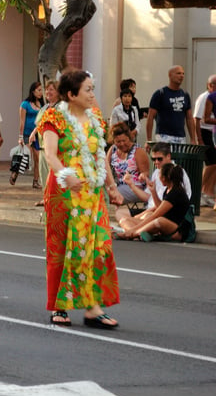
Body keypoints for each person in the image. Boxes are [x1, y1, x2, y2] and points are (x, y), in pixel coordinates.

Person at [39, 70, 122, 329]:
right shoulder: (55, 117)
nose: (92, 94)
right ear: (71, 94)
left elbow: (100, 156)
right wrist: (66, 175)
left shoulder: (96, 117)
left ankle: (92, 308)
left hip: (92, 195)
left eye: (92, 89)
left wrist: (112, 186)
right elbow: (50, 155)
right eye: (87, 89)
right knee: (63, 249)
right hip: (65, 193)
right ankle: (59, 306)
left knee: (96, 248)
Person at [116, 163, 191, 241]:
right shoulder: (168, 189)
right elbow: (159, 207)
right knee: (124, 220)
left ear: (165, 178)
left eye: (160, 175)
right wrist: (153, 191)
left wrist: (133, 230)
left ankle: (132, 234)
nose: (158, 177)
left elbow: (156, 215)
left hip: (174, 227)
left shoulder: (176, 193)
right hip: (163, 220)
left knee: (158, 221)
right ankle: (140, 234)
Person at [146, 65, 195, 144]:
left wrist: (193, 139)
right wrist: (148, 139)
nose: (181, 76)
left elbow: (189, 118)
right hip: (164, 136)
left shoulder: (185, 94)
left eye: (183, 74)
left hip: (181, 137)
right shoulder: (160, 94)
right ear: (170, 75)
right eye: (178, 73)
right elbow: (150, 116)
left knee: (180, 156)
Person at [107, 122, 150, 209]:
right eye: (118, 141)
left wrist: (143, 175)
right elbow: (105, 168)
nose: (122, 144)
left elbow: (145, 173)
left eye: (124, 140)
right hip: (118, 185)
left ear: (129, 138)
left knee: (107, 194)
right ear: (113, 141)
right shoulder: (113, 149)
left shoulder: (138, 151)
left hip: (135, 188)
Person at [13, 81, 43, 188]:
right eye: (39, 90)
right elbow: (22, 121)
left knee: (37, 158)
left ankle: (35, 181)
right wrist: (20, 136)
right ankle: (15, 173)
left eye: (41, 90)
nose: (41, 93)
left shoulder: (42, 105)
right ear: (33, 91)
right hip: (26, 133)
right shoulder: (25, 104)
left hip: (38, 134)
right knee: (25, 156)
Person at [196, 75, 216, 206]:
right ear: (210, 85)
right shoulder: (204, 98)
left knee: (214, 164)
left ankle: (207, 193)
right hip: (204, 132)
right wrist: (199, 139)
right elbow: (197, 119)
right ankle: (199, 193)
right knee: (210, 164)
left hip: (211, 132)